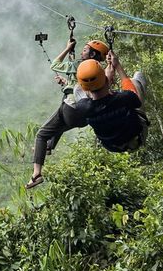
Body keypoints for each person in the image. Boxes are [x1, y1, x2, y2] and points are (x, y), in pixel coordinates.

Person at [25, 38, 111, 189]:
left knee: (41, 134)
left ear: (92, 53)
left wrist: (67, 48)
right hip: (84, 117)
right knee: (57, 124)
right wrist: (67, 83)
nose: (81, 52)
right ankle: (49, 146)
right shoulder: (98, 71)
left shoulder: (79, 65)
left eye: (85, 50)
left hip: (71, 109)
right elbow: (84, 87)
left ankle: (36, 174)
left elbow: (55, 64)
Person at [74, 51, 148, 152]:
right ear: (106, 80)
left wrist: (106, 80)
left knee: (76, 90)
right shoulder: (123, 98)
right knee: (136, 78)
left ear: (86, 89)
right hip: (137, 138)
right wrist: (117, 65)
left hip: (113, 146)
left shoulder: (82, 107)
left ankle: (94, 85)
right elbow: (134, 97)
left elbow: (89, 92)